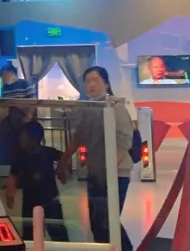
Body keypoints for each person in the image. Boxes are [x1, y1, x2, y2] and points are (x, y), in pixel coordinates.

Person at [60, 66, 135, 251]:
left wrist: (109, 168)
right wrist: (64, 160)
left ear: (106, 83)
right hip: (96, 173)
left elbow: (125, 140)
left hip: (116, 174)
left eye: (96, 80)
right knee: (97, 222)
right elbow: (79, 137)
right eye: (88, 81)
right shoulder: (89, 108)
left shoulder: (115, 107)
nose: (91, 85)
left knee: (107, 221)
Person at [5, 121, 69, 242]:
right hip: (30, 201)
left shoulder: (47, 152)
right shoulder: (21, 156)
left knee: (58, 232)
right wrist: (10, 193)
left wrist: (61, 170)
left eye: (23, 136)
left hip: (50, 199)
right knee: (30, 234)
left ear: (33, 138)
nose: (21, 139)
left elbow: (64, 157)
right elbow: (13, 175)